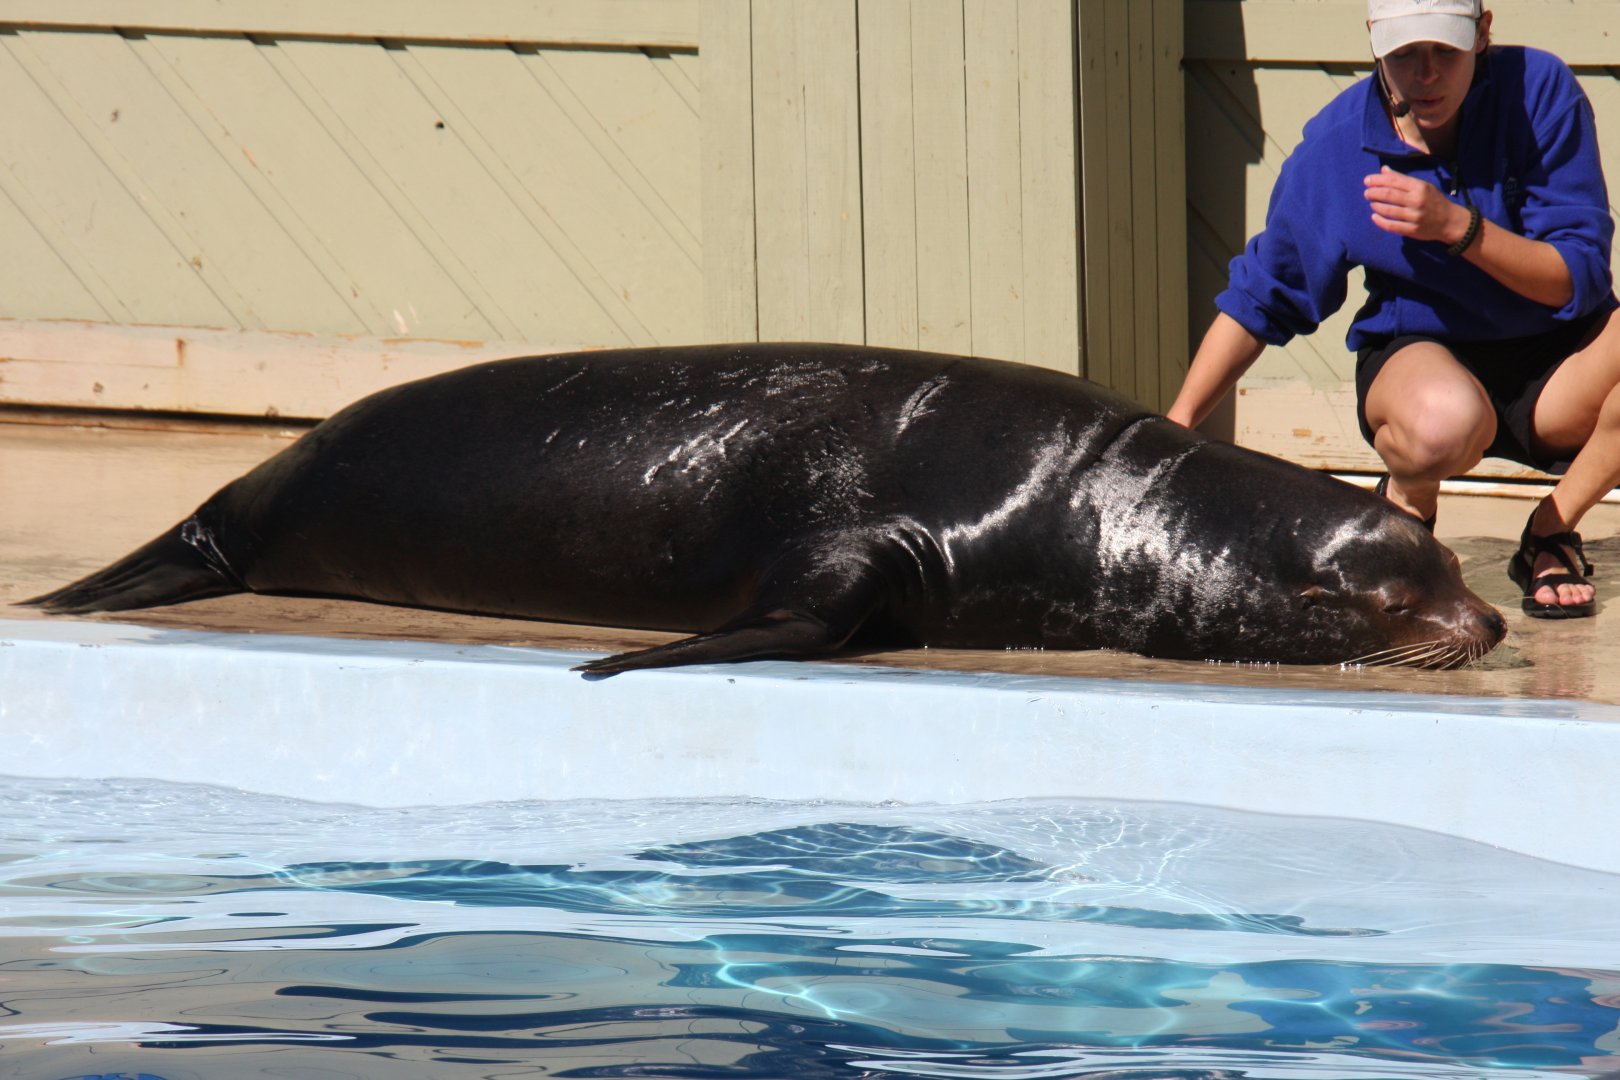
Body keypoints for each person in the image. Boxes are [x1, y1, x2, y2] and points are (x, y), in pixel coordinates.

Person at [1166, 0, 1619, 619]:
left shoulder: (1538, 91)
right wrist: (1176, 427)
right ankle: (1410, 503)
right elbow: (1264, 295)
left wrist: (1458, 227)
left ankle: (1551, 530)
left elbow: (1580, 278)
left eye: (1445, 51)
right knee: (1442, 424)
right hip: (1422, 356)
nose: (1426, 74)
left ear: (1482, 33)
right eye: (1404, 53)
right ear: (1375, 42)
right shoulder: (1340, 145)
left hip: (1556, 362)